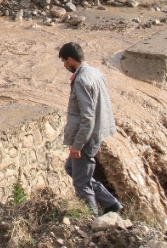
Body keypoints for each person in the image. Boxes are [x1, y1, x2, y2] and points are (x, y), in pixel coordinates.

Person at [59, 42, 122, 216]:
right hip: (98, 130)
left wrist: (77, 144)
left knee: (81, 184)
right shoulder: (96, 72)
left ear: (71, 59)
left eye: (64, 61)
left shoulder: (81, 80)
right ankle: (111, 204)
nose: (64, 66)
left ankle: (91, 219)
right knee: (71, 169)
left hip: (87, 136)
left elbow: (87, 117)